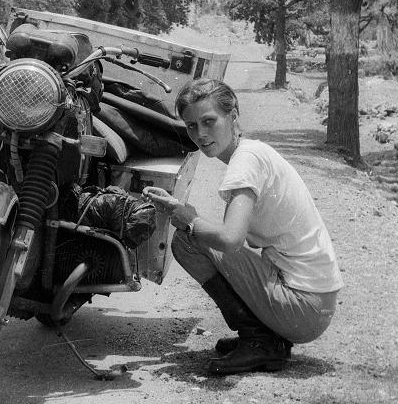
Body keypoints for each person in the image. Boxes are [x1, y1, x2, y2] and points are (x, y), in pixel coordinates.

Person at [143, 78, 343, 375]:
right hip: (315, 303)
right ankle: (262, 337)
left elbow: (231, 239)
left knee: (187, 241)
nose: (201, 134)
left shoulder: (245, 162)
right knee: (195, 234)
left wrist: (188, 219)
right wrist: (186, 214)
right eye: (192, 126)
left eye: (209, 121)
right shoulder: (252, 153)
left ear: (232, 116)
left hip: (305, 308)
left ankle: (258, 340)